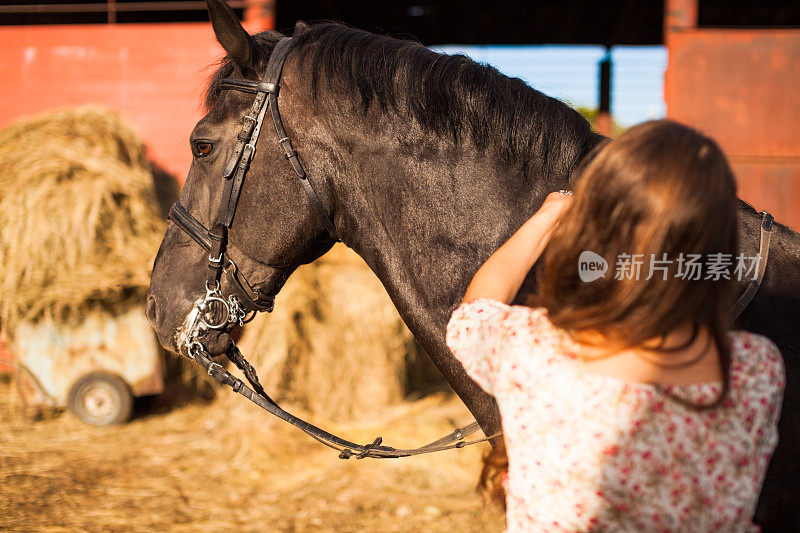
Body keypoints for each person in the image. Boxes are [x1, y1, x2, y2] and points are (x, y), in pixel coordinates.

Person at [446, 120, 785, 532]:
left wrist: (549, 216)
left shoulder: (533, 349)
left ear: (598, 233)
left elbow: (473, 313)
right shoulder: (756, 369)